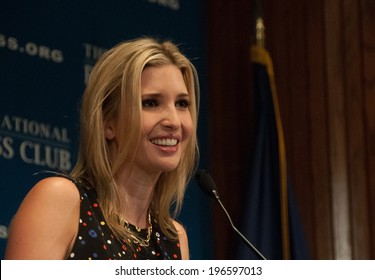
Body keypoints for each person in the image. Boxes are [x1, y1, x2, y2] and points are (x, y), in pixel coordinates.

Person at [4, 37, 200, 260]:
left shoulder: (174, 238)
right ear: (109, 123)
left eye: (182, 104)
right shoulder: (60, 200)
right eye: (151, 103)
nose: (174, 121)